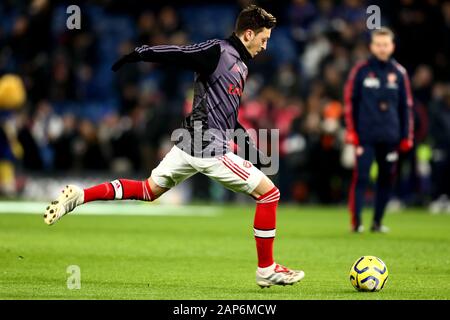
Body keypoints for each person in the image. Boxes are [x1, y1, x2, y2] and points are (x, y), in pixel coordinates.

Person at [43, 5, 304, 288]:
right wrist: (143, 53)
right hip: (207, 148)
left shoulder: (240, 66)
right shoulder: (219, 52)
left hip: (190, 145)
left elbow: (229, 118)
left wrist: (253, 151)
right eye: (263, 39)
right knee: (269, 195)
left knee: (148, 190)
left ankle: (79, 196)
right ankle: (266, 269)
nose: (265, 46)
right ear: (249, 33)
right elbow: (181, 54)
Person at [344, 27, 414, 233]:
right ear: (371, 46)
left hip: (390, 136)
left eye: (386, 44)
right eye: (378, 44)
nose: (382, 48)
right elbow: (350, 102)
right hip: (365, 136)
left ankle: (377, 222)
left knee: (386, 178)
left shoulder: (400, 73)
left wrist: (406, 136)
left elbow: (406, 107)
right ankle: (356, 223)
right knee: (362, 177)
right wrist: (351, 131)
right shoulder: (360, 70)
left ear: (392, 46)